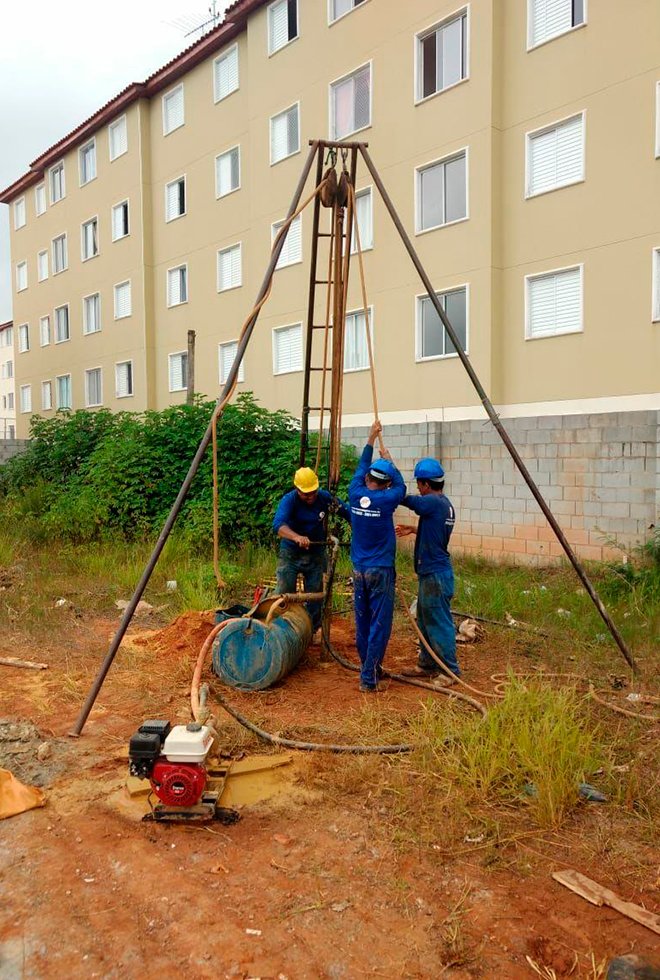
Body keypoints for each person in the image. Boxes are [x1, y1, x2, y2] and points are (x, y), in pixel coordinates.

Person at [348, 420, 406, 692]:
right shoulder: (387, 499)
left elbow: (361, 469)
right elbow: (402, 486)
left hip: (359, 570)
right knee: (379, 624)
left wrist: (370, 438)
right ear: (385, 484)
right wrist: (390, 460)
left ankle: (369, 667)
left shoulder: (354, 492)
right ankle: (369, 679)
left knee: (362, 621)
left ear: (369, 479)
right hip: (380, 571)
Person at [395, 457, 460, 681]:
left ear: (425, 484)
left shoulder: (432, 501)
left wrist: (393, 487)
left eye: (419, 485)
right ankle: (427, 664)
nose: (418, 489)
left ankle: (449, 671)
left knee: (438, 623)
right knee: (424, 620)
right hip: (433, 573)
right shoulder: (444, 504)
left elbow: (410, 501)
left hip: (435, 575)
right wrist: (414, 529)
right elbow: (435, 530)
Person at [272, 466, 349, 633]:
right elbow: (278, 526)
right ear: (297, 489)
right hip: (291, 553)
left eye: (313, 492)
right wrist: (296, 537)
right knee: (284, 592)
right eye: (306, 494)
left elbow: (347, 512)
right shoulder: (289, 500)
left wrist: (361, 528)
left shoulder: (324, 498)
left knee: (315, 595)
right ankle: (283, 629)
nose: (311, 497)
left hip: (315, 553)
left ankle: (312, 630)